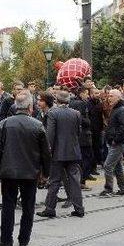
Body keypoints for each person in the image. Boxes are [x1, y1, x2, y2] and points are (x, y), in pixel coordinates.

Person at [0, 90, 51, 246]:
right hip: (30, 172)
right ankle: (24, 239)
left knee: (8, 206)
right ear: (30, 107)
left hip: (9, 171)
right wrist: (46, 173)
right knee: (28, 206)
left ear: (15, 106)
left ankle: (6, 240)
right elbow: (46, 152)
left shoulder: (4, 124)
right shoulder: (37, 125)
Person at [37, 89, 84, 218]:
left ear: (57, 100)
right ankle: (79, 208)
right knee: (74, 180)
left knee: (54, 181)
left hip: (57, 152)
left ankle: (50, 208)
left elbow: (50, 134)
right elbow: (78, 132)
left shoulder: (53, 113)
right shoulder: (76, 113)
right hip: (73, 151)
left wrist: (47, 150)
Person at [100, 89, 124, 197]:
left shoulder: (121, 110)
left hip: (118, 143)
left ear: (119, 97)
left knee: (108, 165)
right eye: (108, 96)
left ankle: (108, 189)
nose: (109, 98)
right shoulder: (116, 109)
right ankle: (123, 188)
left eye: (112, 96)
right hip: (114, 142)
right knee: (117, 166)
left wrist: (115, 139)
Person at [69, 86, 93, 189]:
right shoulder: (82, 104)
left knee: (78, 160)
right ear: (82, 93)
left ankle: (76, 181)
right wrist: (88, 121)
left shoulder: (71, 103)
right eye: (86, 93)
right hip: (84, 136)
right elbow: (84, 120)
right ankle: (82, 181)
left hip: (75, 135)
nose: (87, 96)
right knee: (86, 159)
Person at [88, 87, 104, 175]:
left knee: (97, 148)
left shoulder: (99, 103)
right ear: (91, 94)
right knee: (92, 150)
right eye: (96, 93)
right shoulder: (89, 103)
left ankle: (94, 167)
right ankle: (91, 168)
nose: (98, 95)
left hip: (98, 129)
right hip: (91, 130)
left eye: (98, 93)